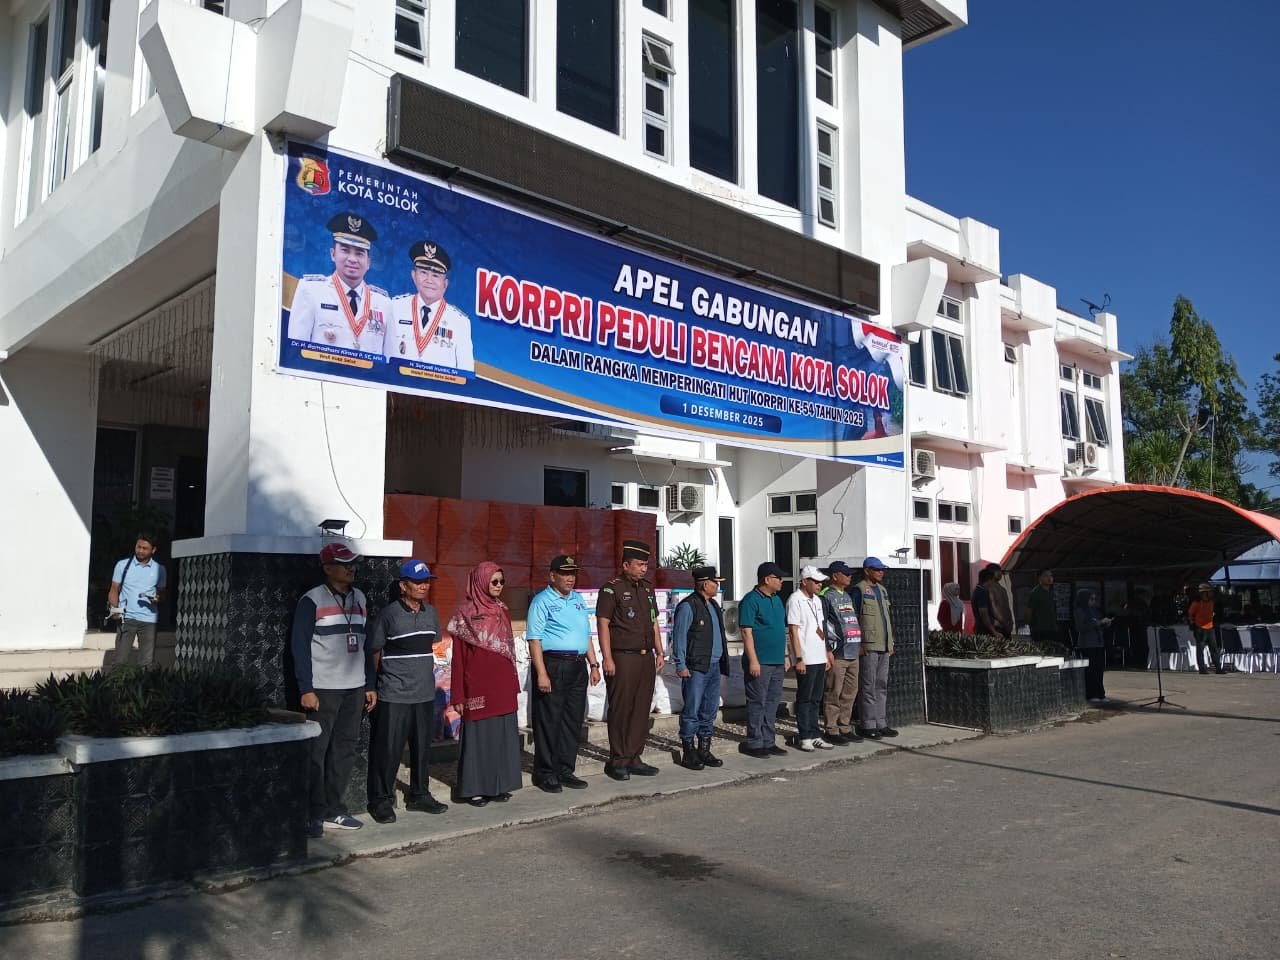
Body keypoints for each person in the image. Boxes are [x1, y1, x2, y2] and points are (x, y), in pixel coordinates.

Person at [291, 543, 378, 838]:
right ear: (328, 568)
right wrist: (306, 688)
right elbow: (299, 647)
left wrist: (369, 684)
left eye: (353, 563)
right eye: (344, 563)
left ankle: (334, 810)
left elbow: (366, 645)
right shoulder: (311, 600)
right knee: (316, 752)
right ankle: (312, 813)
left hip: (354, 689)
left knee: (345, 750)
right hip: (323, 690)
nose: (351, 568)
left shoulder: (360, 598)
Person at [365, 559, 449, 824]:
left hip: (424, 694)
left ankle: (419, 795)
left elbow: (432, 645)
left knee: (422, 750)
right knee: (388, 750)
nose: (424, 586)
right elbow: (374, 651)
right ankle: (381, 800)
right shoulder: (389, 615)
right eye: (418, 582)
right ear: (403, 586)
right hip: (395, 694)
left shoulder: (431, 613)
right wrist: (380, 682)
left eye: (426, 582)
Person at [448, 562, 523, 806]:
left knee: (501, 737)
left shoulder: (502, 610)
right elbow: (459, 659)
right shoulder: (464, 614)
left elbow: (509, 649)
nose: (499, 586)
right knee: (478, 738)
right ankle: (475, 789)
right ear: (481, 582)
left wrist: (513, 683)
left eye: (502, 581)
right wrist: (458, 695)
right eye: (494, 581)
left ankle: (498, 786)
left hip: (502, 686)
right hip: (477, 686)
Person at [527, 555, 599, 793]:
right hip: (554, 664)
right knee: (549, 721)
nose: (570, 578)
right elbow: (534, 640)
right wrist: (541, 673)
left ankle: (565, 769)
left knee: (572, 720)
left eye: (573, 574)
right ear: (552, 576)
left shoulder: (578, 600)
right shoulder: (541, 601)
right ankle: (545, 772)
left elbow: (586, 634)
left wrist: (594, 664)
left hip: (577, 665)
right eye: (565, 573)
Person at [596, 540, 665, 781]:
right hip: (623, 657)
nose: (644, 569)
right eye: (639, 565)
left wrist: (659, 651)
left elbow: (654, 621)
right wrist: (607, 658)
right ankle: (617, 760)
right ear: (626, 565)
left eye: (646, 565)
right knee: (621, 709)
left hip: (646, 657)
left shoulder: (647, 589)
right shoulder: (611, 589)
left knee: (641, 708)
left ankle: (634, 756)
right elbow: (603, 624)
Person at [287, 212, 391, 353]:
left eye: (359, 253)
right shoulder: (310, 290)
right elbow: (296, 352)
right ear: (333, 254)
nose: (352, 259)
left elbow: (388, 358)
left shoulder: (384, 303)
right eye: (345, 250)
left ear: (368, 262)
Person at [670, 565, 730, 770]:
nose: (717, 586)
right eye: (715, 582)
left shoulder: (713, 605)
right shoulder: (688, 606)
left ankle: (704, 749)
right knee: (692, 709)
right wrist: (680, 664)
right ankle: (689, 752)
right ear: (705, 584)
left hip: (714, 665)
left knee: (709, 709)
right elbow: (679, 637)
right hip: (695, 667)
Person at [385, 240, 475, 373]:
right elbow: (385, 357)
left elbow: (466, 373)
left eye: (436, 275)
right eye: (423, 272)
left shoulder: (460, 322)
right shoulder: (395, 307)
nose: (429, 280)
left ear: (445, 284)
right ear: (413, 276)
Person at [737, 562, 790, 759]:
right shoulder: (751, 600)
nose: (781, 581)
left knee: (772, 702)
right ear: (767, 579)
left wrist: (786, 655)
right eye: (778, 578)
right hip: (760, 661)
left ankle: (769, 741)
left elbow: (781, 630)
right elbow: (746, 632)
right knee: (757, 702)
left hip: (777, 661)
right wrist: (753, 660)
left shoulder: (777, 600)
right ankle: (755, 742)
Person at [787, 566, 835, 751]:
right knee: (805, 697)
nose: (819, 585)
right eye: (815, 581)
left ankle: (815, 734)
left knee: (816, 698)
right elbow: (793, 630)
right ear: (804, 581)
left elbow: (821, 627)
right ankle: (805, 735)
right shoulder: (795, 599)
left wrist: (826, 653)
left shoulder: (817, 600)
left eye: (820, 582)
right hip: (806, 657)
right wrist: (799, 658)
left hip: (819, 656)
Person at [852, 557, 897, 741]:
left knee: (881, 685)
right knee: (868, 686)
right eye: (877, 569)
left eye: (882, 569)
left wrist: (890, 643)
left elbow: (886, 619)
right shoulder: (859, 590)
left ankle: (881, 722)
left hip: (884, 645)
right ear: (867, 570)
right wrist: (859, 644)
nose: (881, 572)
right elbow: (854, 618)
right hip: (869, 645)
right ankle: (868, 724)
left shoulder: (883, 590)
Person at [106, 533, 167, 670]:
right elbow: (114, 589)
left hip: (149, 620)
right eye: (138, 547)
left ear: (153, 550)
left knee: (146, 663)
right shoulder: (123, 565)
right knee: (120, 661)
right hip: (126, 618)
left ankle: (143, 683)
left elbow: (163, 594)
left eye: (145, 548)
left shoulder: (160, 569)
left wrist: (157, 598)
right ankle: (117, 683)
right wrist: (114, 610)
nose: (140, 550)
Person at [819, 560, 863, 745]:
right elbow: (822, 624)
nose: (850, 577)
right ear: (835, 575)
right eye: (846, 574)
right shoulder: (825, 595)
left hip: (853, 651)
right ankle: (831, 728)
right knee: (834, 692)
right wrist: (827, 649)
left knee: (850, 692)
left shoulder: (847, 595)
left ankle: (844, 725)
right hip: (838, 652)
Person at [1073, 589, 1113, 702]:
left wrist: (1106, 623)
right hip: (1087, 644)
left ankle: (1100, 693)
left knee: (1099, 670)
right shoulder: (1079, 611)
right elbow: (1080, 628)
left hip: (1098, 643)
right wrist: (1098, 623)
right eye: (1091, 599)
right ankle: (1091, 694)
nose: (1093, 601)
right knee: (1090, 670)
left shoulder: (1095, 611)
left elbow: (1099, 624)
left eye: (1095, 599)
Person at [1187, 583, 1224, 675]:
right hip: (1200, 628)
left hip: (1210, 627)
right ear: (1204, 593)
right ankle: (1202, 669)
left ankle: (1218, 668)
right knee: (1200, 649)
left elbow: (1213, 612)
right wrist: (1193, 624)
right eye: (1210, 592)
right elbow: (1190, 614)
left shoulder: (1211, 602)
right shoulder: (1197, 603)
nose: (1211, 593)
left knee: (1214, 648)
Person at [1026, 568, 1061, 652]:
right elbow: (1028, 611)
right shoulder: (1035, 593)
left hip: (1052, 629)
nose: (1049, 578)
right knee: (1042, 652)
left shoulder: (1052, 592)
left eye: (1051, 576)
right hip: (1040, 630)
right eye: (1046, 576)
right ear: (1040, 578)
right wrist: (1032, 626)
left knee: (1053, 652)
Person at [988, 565, 1015, 637]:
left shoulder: (1003, 589)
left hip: (1005, 626)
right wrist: (1003, 621)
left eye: (1000, 571)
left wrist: (1010, 621)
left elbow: (1007, 607)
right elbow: (993, 608)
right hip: (996, 625)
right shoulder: (988, 588)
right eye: (996, 571)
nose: (999, 573)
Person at [970, 568, 999, 637]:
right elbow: (984, 614)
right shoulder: (981, 592)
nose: (994, 583)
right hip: (984, 630)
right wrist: (994, 631)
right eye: (993, 580)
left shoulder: (980, 590)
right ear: (989, 580)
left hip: (983, 628)